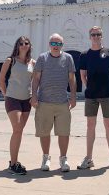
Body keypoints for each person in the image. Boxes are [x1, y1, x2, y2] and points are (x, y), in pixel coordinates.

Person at [31, 33, 76, 172]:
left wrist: (73, 96)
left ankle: (63, 158)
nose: (56, 46)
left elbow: (72, 79)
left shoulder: (68, 58)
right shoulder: (42, 58)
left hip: (62, 101)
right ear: (49, 44)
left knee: (64, 132)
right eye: (53, 43)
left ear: (62, 45)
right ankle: (46, 157)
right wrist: (34, 95)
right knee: (44, 131)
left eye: (59, 44)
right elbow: (36, 78)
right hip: (44, 101)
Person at [77, 26, 109, 170]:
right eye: (93, 34)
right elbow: (83, 75)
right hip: (91, 96)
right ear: (89, 37)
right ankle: (89, 158)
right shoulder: (84, 55)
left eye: (98, 34)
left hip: (107, 95)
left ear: (102, 36)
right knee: (90, 126)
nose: (96, 37)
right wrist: (89, 86)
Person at [0, 36, 35, 175]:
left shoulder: (32, 63)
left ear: (30, 46)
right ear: (17, 46)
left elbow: (36, 80)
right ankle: (13, 164)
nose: (24, 45)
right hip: (13, 99)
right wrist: (6, 95)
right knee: (17, 129)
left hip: (27, 100)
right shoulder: (10, 61)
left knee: (18, 131)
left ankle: (14, 161)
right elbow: (1, 80)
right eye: (21, 44)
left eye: (26, 43)